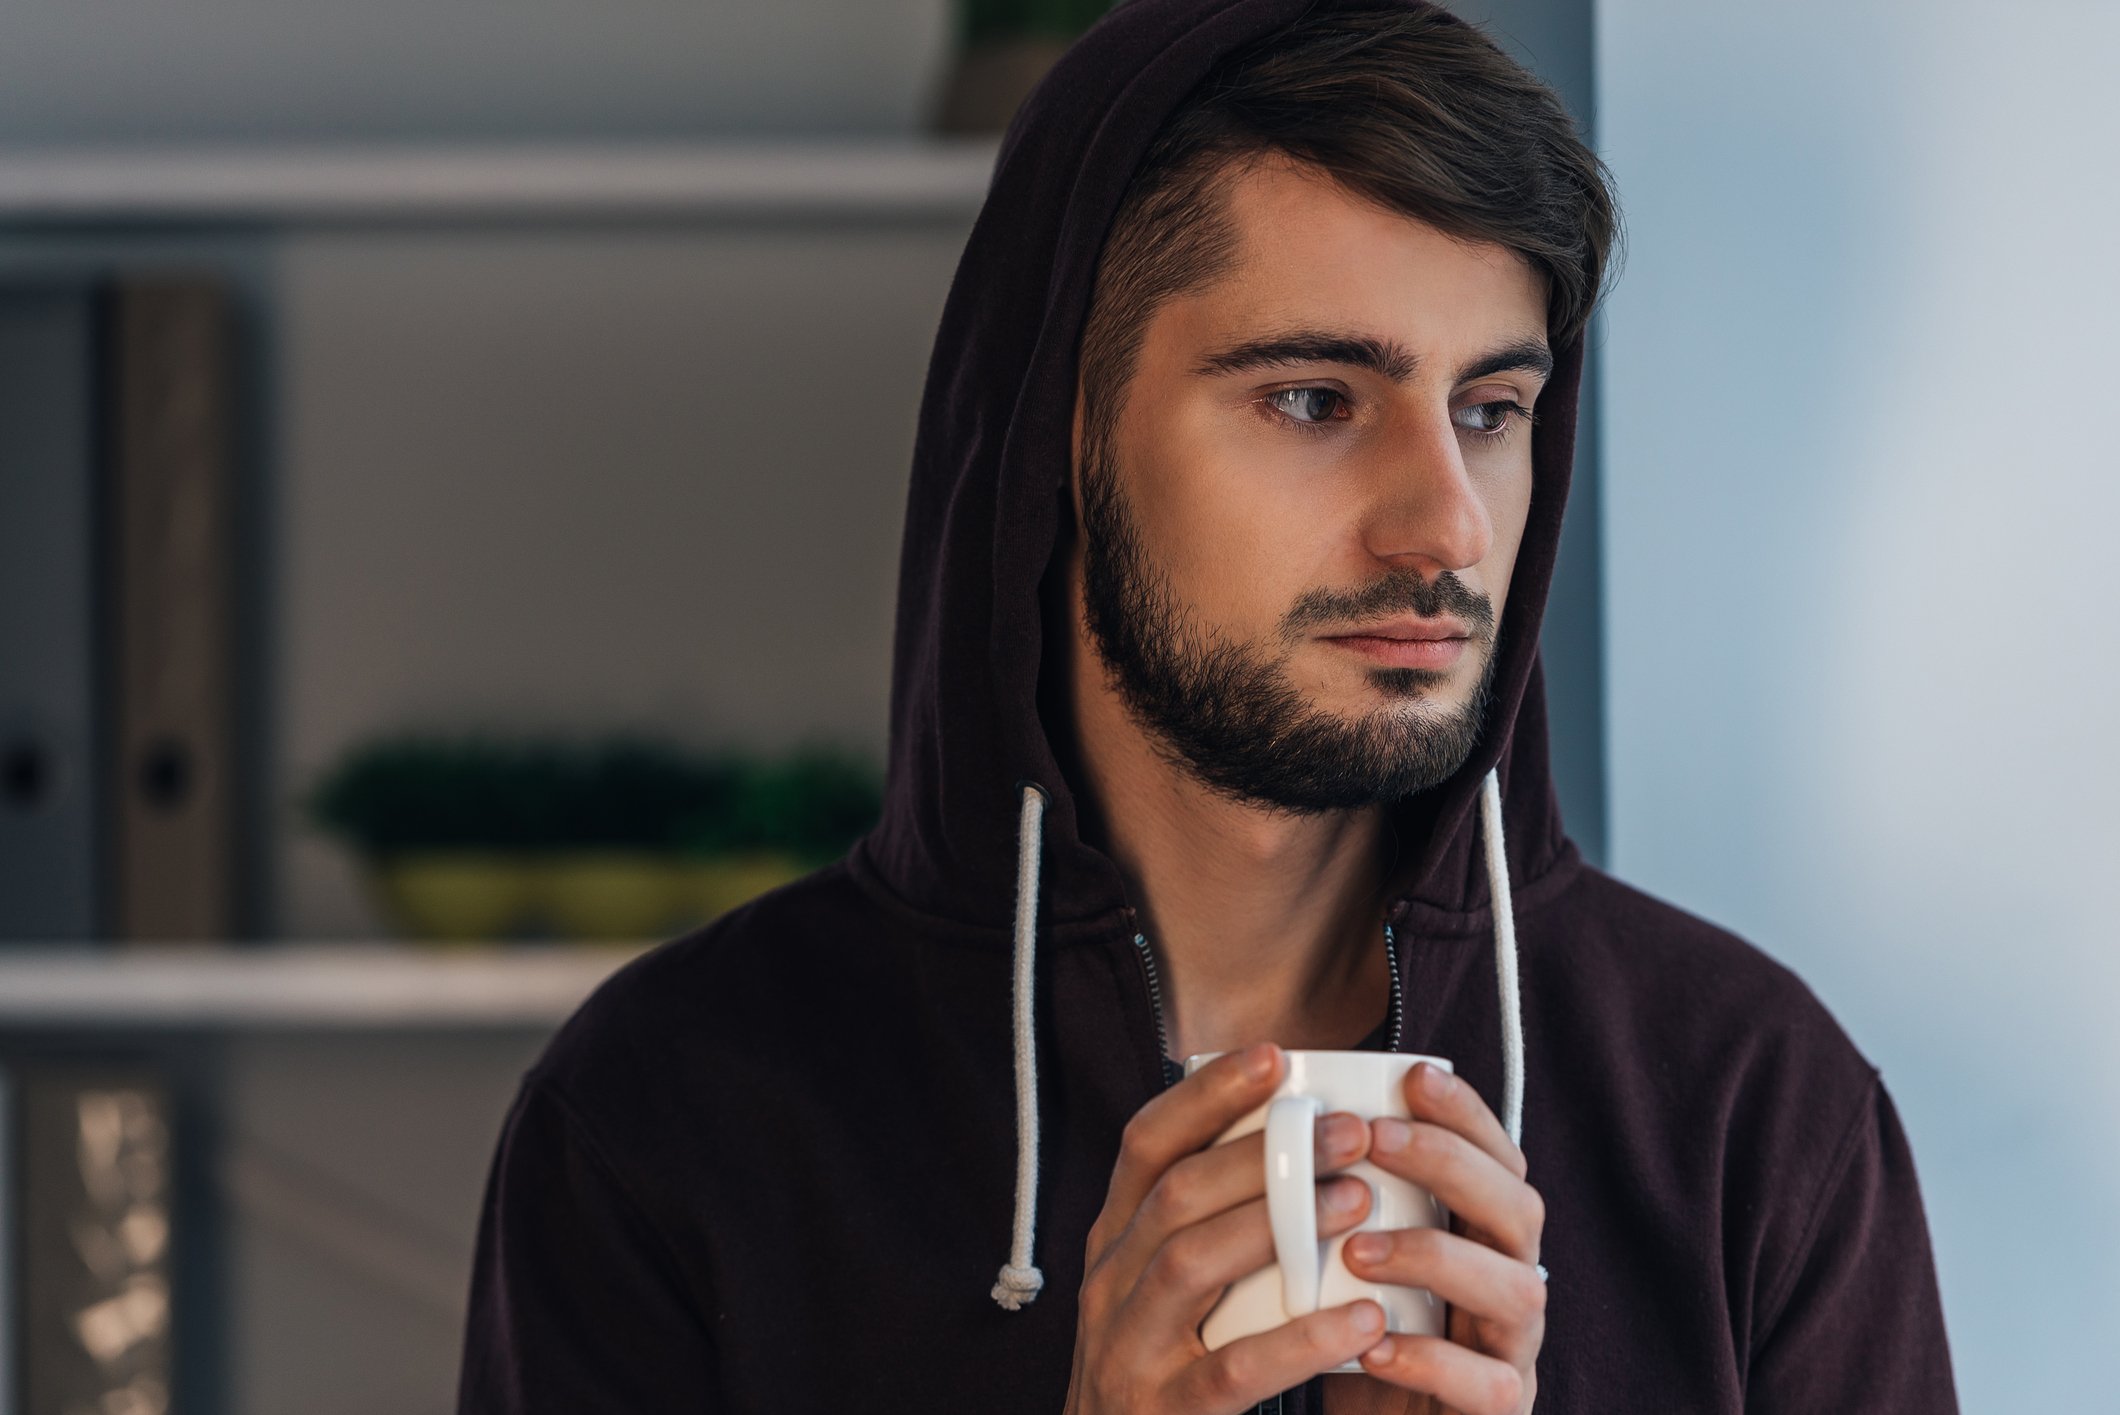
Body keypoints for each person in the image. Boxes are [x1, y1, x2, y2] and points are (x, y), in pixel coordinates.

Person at [455, 1, 1958, 1411]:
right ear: (1063, 441)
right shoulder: (670, 1121)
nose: (1445, 527)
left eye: (1491, 411)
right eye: (1314, 399)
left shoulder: (1750, 1114)